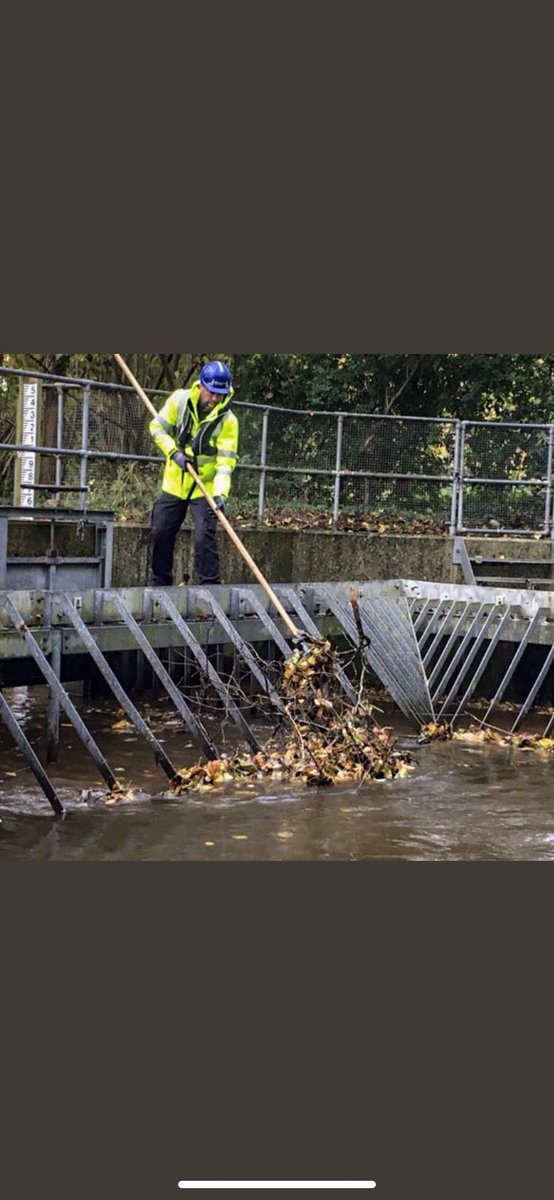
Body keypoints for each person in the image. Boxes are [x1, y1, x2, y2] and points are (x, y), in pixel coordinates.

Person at [149, 361, 239, 586]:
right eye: (211, 392)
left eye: (220, 394)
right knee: (161, 531)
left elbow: (225, 463)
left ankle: (210, 587)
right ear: (201, 386)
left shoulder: (228, 421)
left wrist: (220, 495)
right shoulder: (179, 401)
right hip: (175, 482)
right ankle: (161, 583)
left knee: (203, 537)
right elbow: (156, 428)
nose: (215, 399)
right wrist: (174, 453)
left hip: (205, 486)